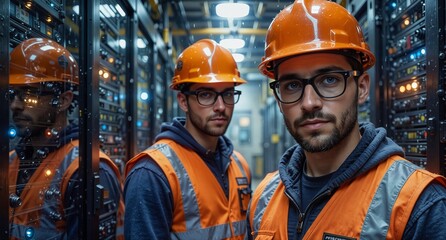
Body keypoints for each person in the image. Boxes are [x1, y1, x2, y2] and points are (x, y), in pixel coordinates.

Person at [247, 0, 446, 239]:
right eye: (292, 85)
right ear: (279, 100)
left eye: (329, 80)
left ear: (361, 88)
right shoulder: (263, 198)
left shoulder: (416, 204)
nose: (309, 102)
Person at [124, 39, 252, 239]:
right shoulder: (153, 173)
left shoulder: (239, 164)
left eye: (227, 94)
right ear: (183, 101)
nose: (220, 106)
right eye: (206, 95)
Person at [8, 38, 125, 239]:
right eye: (13, 95)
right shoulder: (10, 160)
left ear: (63, 100)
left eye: (29, 95)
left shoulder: (85, 169)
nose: (15, 106)